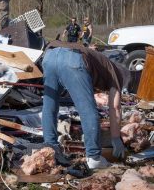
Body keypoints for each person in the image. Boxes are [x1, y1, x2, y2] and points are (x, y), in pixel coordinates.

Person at [41, 40, 130, 169]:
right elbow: (115, 107)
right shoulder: (117, 75)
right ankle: (94, 157)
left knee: (50, 106)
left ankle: (50, 148)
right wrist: (116, 138)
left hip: (50, 55)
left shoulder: (102, 65)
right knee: (87, 110)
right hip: (72, 59)